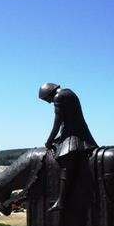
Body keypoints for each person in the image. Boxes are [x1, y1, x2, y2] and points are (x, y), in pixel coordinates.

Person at [39, 83, 98, 211]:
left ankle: (61, 200)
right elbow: (68, 121)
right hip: (73, 132)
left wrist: (49, 141)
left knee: (65, 162)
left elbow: (57, 123)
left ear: (49, 93)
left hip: (75, 136)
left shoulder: (59, 96)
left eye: (46, 99)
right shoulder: (68, 92)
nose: (49, 102)